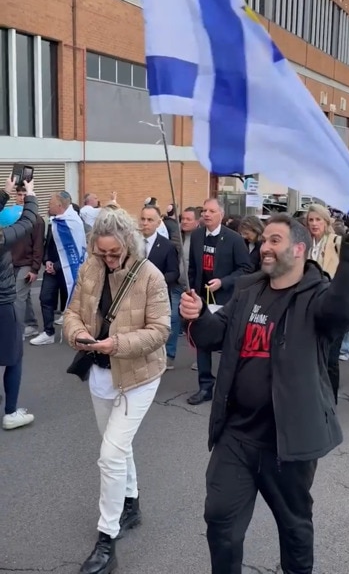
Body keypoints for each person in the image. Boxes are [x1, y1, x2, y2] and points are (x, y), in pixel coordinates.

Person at [180, 211, 349, 574]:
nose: (265, 247)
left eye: (275, 240)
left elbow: (346, 307)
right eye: (264, 241)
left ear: (300, 249)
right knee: (220, 521)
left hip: (287, 444)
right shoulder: (247, 291)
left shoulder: (317, 296)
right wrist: (197, 315)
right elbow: (215, 334)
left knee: (294, 526)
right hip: (237, 435)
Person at [64, 207, 171, 574]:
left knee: (110, 453)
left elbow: (160, 330)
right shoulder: (89, 268)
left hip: (139, 376)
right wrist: (76, 333)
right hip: (100, 372)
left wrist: (118, 344)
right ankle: (132, 504)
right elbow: (73, 313)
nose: (108, 259)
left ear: (129, 245)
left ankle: (106, 539)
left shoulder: (150, 277)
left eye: (114, 253)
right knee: (117, 446)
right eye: (101, 252)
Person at [187, 198, 252, 405]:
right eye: (204, 210)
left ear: (221, 215)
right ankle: (205, 387)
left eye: (211, 211)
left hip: (225, 300)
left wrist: (223, 282)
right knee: (202, 343)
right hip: (202, 300)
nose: (206, 214)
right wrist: (191, 290)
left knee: (229, 345)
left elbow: (246, 269)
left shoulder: (233, 239)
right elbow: (193, 268)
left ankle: (229, 389)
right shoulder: (197, 236)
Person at [0, 175, 37, 430]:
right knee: (14, 357)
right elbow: (27, 221)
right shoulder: (2, 237)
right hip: (3, 304)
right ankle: (11, 413)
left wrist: (4, 193)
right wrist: (31, 195)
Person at [31, 191, 87, 346]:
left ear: (60, 205)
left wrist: (56, 266)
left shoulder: (74, 222)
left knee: (74, 303)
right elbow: (49, 243)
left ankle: (77, 332)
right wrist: (47, 261)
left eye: (51, 203)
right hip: (51, 269)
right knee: (45, 297)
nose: (48, 205)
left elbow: (75, 251)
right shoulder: (54, 221)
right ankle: (48, 332)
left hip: (68, 270)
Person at [306, 203, 343, 402]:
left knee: (330, 359)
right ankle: (315, 399)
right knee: (312, 357)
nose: (314, 224)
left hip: (332, 307)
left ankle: (330, 401)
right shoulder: (305, 244)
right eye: (311, 220)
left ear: (326, 221)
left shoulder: (337, 241)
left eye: (318, 219)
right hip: (309, 307)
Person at [166, 207, 199, 369]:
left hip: (195, 288)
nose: (184, 222)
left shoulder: (201, 239)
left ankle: (201, 359)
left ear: (197, 222)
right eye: (182, 219)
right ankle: (169, 356)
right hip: (178, 286)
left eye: (188, 219)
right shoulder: (176, 237)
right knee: (172, 319)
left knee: (198, 324)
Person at [11, 185, 45, 339]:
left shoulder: (37, 219)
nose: (22, 197)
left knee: (18, 298)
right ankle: (31, 325)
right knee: (24, 297)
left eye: (25, 194)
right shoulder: (10, 216)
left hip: (27, 264)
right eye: (19, 194)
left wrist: (35, 268)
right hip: (10, 263)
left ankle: (17, 332)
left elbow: (38, 245)